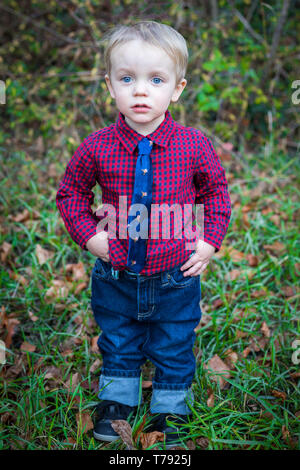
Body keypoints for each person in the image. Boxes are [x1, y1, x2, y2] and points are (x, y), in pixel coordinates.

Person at [56, 20, 232, 448]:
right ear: (110, 86)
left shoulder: (193, 145)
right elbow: (71, 193)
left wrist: (209, 242)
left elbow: (217, 195)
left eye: (155, 80)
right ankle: (117, 401)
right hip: (115, 276)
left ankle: (170, 406)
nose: (140, 90)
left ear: (176, 88)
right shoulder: (96, 146)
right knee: (119, 338)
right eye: (127, 78)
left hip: (175, 276)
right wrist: (89, 236)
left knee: (173, 340)